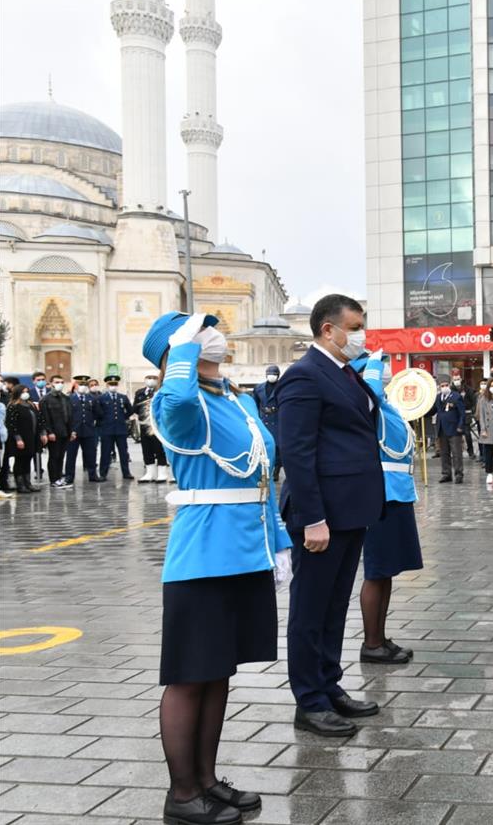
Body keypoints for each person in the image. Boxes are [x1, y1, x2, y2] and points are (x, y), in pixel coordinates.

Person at [143, 311, 291, 825]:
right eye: (198, 330)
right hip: (202, 555)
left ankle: (206, 780)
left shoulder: (236, 398)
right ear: (178, 349)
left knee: (218, 670)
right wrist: (181, 351)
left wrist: (280, 543)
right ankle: (182, 794)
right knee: (190, 675)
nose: (214, 335)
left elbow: (263, 475)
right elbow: (179, 397)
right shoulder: (175, 401)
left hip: (246, 549)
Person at [278, 294, 385, 737]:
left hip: (351, 509)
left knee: (335, 605)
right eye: (355, 327)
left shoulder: (343, 372)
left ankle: (330, 684)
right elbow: (297, 453)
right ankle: (309, 699)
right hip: (322, 515)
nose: (360, 335)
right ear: (328, 329)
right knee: (310, 608)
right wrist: (312, 518)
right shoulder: (304, 376)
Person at [351, 351, 422, 664]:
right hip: (380, 496)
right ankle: (371, 643)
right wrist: (373, 363)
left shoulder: (386, 407)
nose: (384, 372)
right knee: (376, 570)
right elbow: (370, 392)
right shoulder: (367, 404)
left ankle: (380, 637)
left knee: (387, 572)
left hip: (398, 495)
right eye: (376, 370)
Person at [4, 386, 45, 493]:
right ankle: (20, 484)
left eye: (27, 391)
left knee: (28, 459)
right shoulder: (13, 406)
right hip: (21, 438)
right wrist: (18, 439)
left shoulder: (31, 405)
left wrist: (42, 433)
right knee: (20, 460)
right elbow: (11, 425)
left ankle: (28, 482)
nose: (25, 394)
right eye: (23, 392)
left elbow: (39, 420)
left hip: (32, 437)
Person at [65, 376, 103, 485]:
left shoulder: (91, 399)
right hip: (74, 432)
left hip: (89, 431)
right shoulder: (69, 399)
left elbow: (98, 413)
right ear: (75, 385)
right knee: (71, 455)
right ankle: (69, 476)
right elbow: (66, 415)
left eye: (85, 385)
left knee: (91, 454)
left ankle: (93, 475)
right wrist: (69, 429)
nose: (83, 387)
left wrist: (93, 423)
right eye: (80, 384)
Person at [134, 373, 171, 483]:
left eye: (154, 378)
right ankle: (150, 472)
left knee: (159, 449)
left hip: (158, 425)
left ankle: (162, 472)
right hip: (144, 425)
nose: (151, 380)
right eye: (148, 378)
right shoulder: (139, 392)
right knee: (146, 449)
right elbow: (136, 408)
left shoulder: (161, 391)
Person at [97, 374, 135, 481]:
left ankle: (126, 472)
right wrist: (104, 421)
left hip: (120, 429)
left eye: (115, 384)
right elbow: (98, 412)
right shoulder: (101, 398)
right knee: (105, 453)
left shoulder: (122, 397)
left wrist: (123, 417)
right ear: (107, 385)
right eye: (111, 384)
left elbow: (130, 410)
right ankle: (103, 473)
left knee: (123, 452)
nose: (113, 386)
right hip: (107, 430)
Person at [40, 374, 73, 489]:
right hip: (54, 432)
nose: (60, 384)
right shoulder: (46, 399)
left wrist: (71, 431)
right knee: (54, 456)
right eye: (57, 382)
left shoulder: (65, 398)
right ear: (51, 384)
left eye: (61, 382)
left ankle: (59, 477)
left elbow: (69, 415)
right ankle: (53, 479)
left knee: (61, 456)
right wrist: (49, 432)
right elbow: (45, 418)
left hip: (65, 432)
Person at [432, 377, 466, 484]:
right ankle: (446, 473)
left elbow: (462, 413)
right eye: (442, 386)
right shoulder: (438, 397)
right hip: (441, 429)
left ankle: (459, 474)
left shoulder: (456, 396)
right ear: (439, 387)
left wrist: (460, 426)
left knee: (456, 453)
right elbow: (433, 410)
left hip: (454, 428)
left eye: (446, 385)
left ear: (450, 385)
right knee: (444, 453)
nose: (444, 387)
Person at [252, 365, 282, 480]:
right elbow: (254, 403)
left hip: (277, 419)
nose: (272, 376)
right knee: (263, 446)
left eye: (274, 374)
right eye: (270, 373)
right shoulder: (259, 388)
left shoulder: (283, 387)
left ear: (278, 375)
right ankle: (265, 469)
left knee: (278, 447)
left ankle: (277, 469)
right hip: (264, 419)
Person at [451, 373, 476, 459]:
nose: (456, 381)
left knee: (467, 434)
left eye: (458, 379)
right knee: (455, 436)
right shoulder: (451, 390)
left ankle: (471, 452)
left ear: (461, 379)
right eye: (454, 380)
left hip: (466, 414)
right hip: (455, 415)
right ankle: (456, 452)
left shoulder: (468, 389)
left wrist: (472, 410)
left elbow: (473, 401)